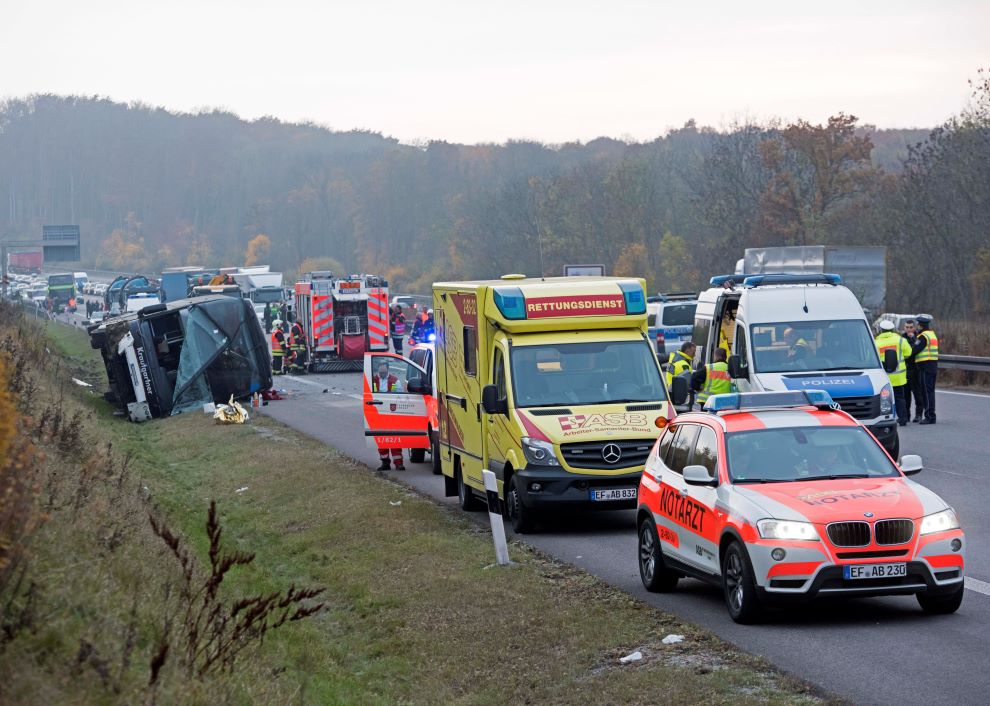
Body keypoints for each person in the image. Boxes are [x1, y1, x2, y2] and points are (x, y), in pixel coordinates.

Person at [875, 320, 912, 426]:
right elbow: (908, 352)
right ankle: (903, 419)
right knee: (900, 398)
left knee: (884, 399)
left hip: (884, 377)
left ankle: (886, 419)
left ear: (881, 330)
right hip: (899, 376)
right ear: (892, 329)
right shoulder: (900, 340)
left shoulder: (876, 343)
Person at [372, 360, 405, 470]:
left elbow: (400, 397)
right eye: (380, 372)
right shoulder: (373, 380)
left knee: (394, 438)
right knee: (382, 440)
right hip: (378, 414)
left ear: (387, 369)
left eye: (384, 372)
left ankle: (398, 463)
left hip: (392, 413)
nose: (382, 374)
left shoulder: (395, 381)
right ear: (378, 370)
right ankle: (385, 462)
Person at [911, 314, 939, 424]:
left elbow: (914, 350)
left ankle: (929, 416)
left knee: (926, 392)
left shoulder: (923, 336)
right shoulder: (932, 334)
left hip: (925, 366)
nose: (917, 326)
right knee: (930, 392)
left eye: (918, 324)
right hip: (932, 365)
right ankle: (931, 415)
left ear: (921, 325)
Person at [901, 319, 923, 422]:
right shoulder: (901, 338)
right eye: (907, 327)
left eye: (911, 327)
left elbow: (917, 348)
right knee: (906, 395)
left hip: (915, 369)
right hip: (905, 369)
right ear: (904, 328)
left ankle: (918, 414)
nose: (909, 329)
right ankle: (906, 415)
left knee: (917, 393)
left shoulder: (918, 337)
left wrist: (913, 338)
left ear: (914, 328)